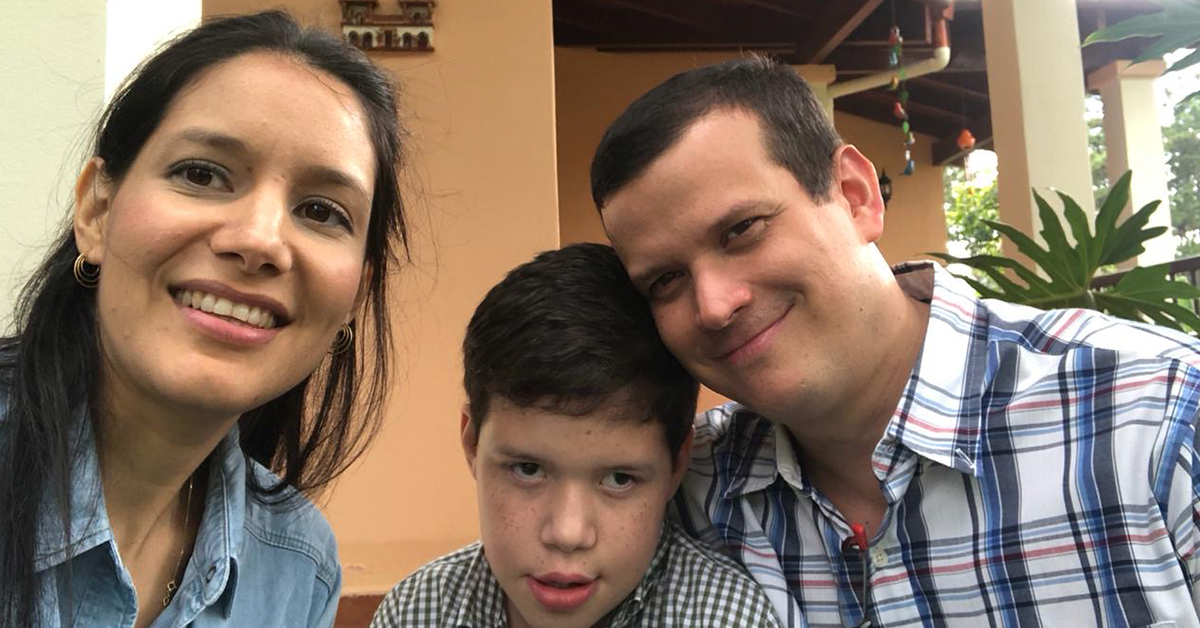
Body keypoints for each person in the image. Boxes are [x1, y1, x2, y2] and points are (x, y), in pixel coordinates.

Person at [590, 57, 1200, 627]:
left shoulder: (1156, 418)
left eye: (742, 230)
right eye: (666, 280)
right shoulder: (683, 491)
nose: (714, 305)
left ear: (855, 196)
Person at [0, 10, 407, 628]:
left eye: (322, 211)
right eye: (201, 174)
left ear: (356, 293)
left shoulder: (299, 568)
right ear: (97, 210)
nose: (259, 240)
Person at [369, 243, 781, 628]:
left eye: (619, 479)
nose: (567, 533)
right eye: (527, 469)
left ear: (676, 464)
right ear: (472, 442)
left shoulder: (726, 618)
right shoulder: (417, 611)